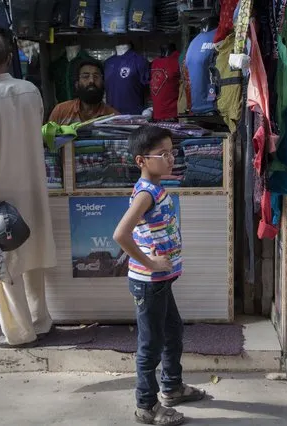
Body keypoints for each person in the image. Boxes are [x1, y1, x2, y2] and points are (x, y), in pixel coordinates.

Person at [0, 27, 56, 348]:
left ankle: (19, 332)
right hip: (33, 188)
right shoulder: (30, 90)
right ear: (9, 58)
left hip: (1, 195)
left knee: (6, 265)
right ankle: (41, 320)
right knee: (32, 258)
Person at [113, 126, 205, 425]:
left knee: (173, 332)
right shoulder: (145, 195)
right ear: (141, 160)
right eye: (163, 154)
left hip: (161, 283)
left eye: (172, 152)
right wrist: (150, 263)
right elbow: (120, 235)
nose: (171, 158)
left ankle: (172, 387)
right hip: (148, 283)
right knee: (150, 344)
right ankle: (146, 406)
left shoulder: (156, 189)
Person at [48, 57, 118, 124]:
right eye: (86, 76)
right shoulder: (60, 111)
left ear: (103, 82)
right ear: (77, 84)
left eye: (96, 76)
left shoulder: (114, 117)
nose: (91, 81)